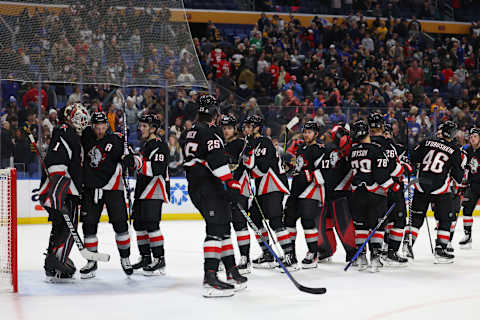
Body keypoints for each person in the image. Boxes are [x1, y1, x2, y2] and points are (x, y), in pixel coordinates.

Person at [182, 95, 247, 298]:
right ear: (214, 113)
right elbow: (216, 161)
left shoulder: (190, 132)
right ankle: (209, 277)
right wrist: (231, 183)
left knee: (223, 226)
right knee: (216, 229)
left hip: (200, 185)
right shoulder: (210, 132)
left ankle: (231, 270)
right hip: (207, 186)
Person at [79, 112, 133, 278]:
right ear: (92, 126)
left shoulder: (115, 141)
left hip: (113, 188)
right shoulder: (86, 137)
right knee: (89, 226)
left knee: (120, 225)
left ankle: (125, 258)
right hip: (90, 189)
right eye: (97, 127)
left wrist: (128, 159)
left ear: (107, 127)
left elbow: (129, 157)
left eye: (103, 127)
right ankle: (92, 261)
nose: (100, 131)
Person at [39, 103, 88, 282]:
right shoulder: (67, 133)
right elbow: (62, 165)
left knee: (59, 226)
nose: (82, 122)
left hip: (56, 190)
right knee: (69, 225)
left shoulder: (64, 132)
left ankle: (51, 261)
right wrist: (63, 193)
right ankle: (58, 260)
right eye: (79, 118)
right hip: (64, 190)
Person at [406, 121, 465, 263]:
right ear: (453, 134)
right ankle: (440, 249)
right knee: (445, 219)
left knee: (416, 218)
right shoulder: (455, 150)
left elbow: (412, 158)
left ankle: (407, 246)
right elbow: (458, 177)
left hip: (421, 186)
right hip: (440, 189)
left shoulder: (427, 142)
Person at [241, 115, 295, 270]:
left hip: (273, 186)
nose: (246, 129)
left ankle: (289, 256)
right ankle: (268, 253)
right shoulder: (251, 143)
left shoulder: (264, 142)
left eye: (250, 126)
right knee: (254, 218)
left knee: (276, 221)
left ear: (257, 128)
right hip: (262, 188)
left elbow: (261, 168)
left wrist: (249, 165)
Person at [123, 114, 170, 275]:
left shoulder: (159, 145)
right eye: (141, 125)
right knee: (139, 225)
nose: (140, 128)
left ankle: (159, 259)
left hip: (155, 189)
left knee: (151, 224)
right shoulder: (145, 146)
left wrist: (135, 161)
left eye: (145, 126)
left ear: (153, 129)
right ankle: (145, 257)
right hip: (142, 189)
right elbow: (140, 166)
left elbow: (156, 169)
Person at [349, 120, 394, 272]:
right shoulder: (376, 149)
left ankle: (361, 257)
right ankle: (375, 257)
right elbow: (381, 175)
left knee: (360, 226)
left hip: (356, 193)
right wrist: (392, 186)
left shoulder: (352, 151)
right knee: (377, 226)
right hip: (374, 193)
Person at [283, 120, 326, 269]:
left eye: (309, 132)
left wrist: (305, 174)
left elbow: (323, 171)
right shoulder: (301, 147)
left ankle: (313, 253)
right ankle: (291, 255)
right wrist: (290, 167)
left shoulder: (319, 149)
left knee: (307, 221)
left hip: (311, 189)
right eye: (305, 132)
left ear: (316, 134)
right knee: (288, 220)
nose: (306, 134)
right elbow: (299, 167)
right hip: (296, 188)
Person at [368, 114, 408, 266]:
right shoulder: (389, 145)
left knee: (379, 221)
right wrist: (403, 169)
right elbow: (395, 167)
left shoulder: (365, 142)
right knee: (398, 219)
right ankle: (391, 252)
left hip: (372, 190)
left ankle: (374, 253)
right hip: (389, 187)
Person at [317, 124, 356, 263]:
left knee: (340, 223)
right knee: (326, 223)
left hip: (338, 193)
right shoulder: (328, 149)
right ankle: (328, 251)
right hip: (332, 193)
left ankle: (350, 252)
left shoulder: (347, 149)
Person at [220, 114, 251, 274]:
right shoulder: (221, 146)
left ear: (235, 129)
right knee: (223, 224)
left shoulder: (241, 144)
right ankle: (222, 258)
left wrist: (235, 184)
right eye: (224, 128)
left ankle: (245, 258)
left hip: (239, 188)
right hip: (226, 189)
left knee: (240, 223)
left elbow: (244, 166)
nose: (226, 131)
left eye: (229, 128)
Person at [458, 127, 480, 249]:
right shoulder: (468, 151)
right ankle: (467, 235)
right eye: (471, 137)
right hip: (473, 185)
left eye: (475, 137)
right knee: (466, 209)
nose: (472, 139)